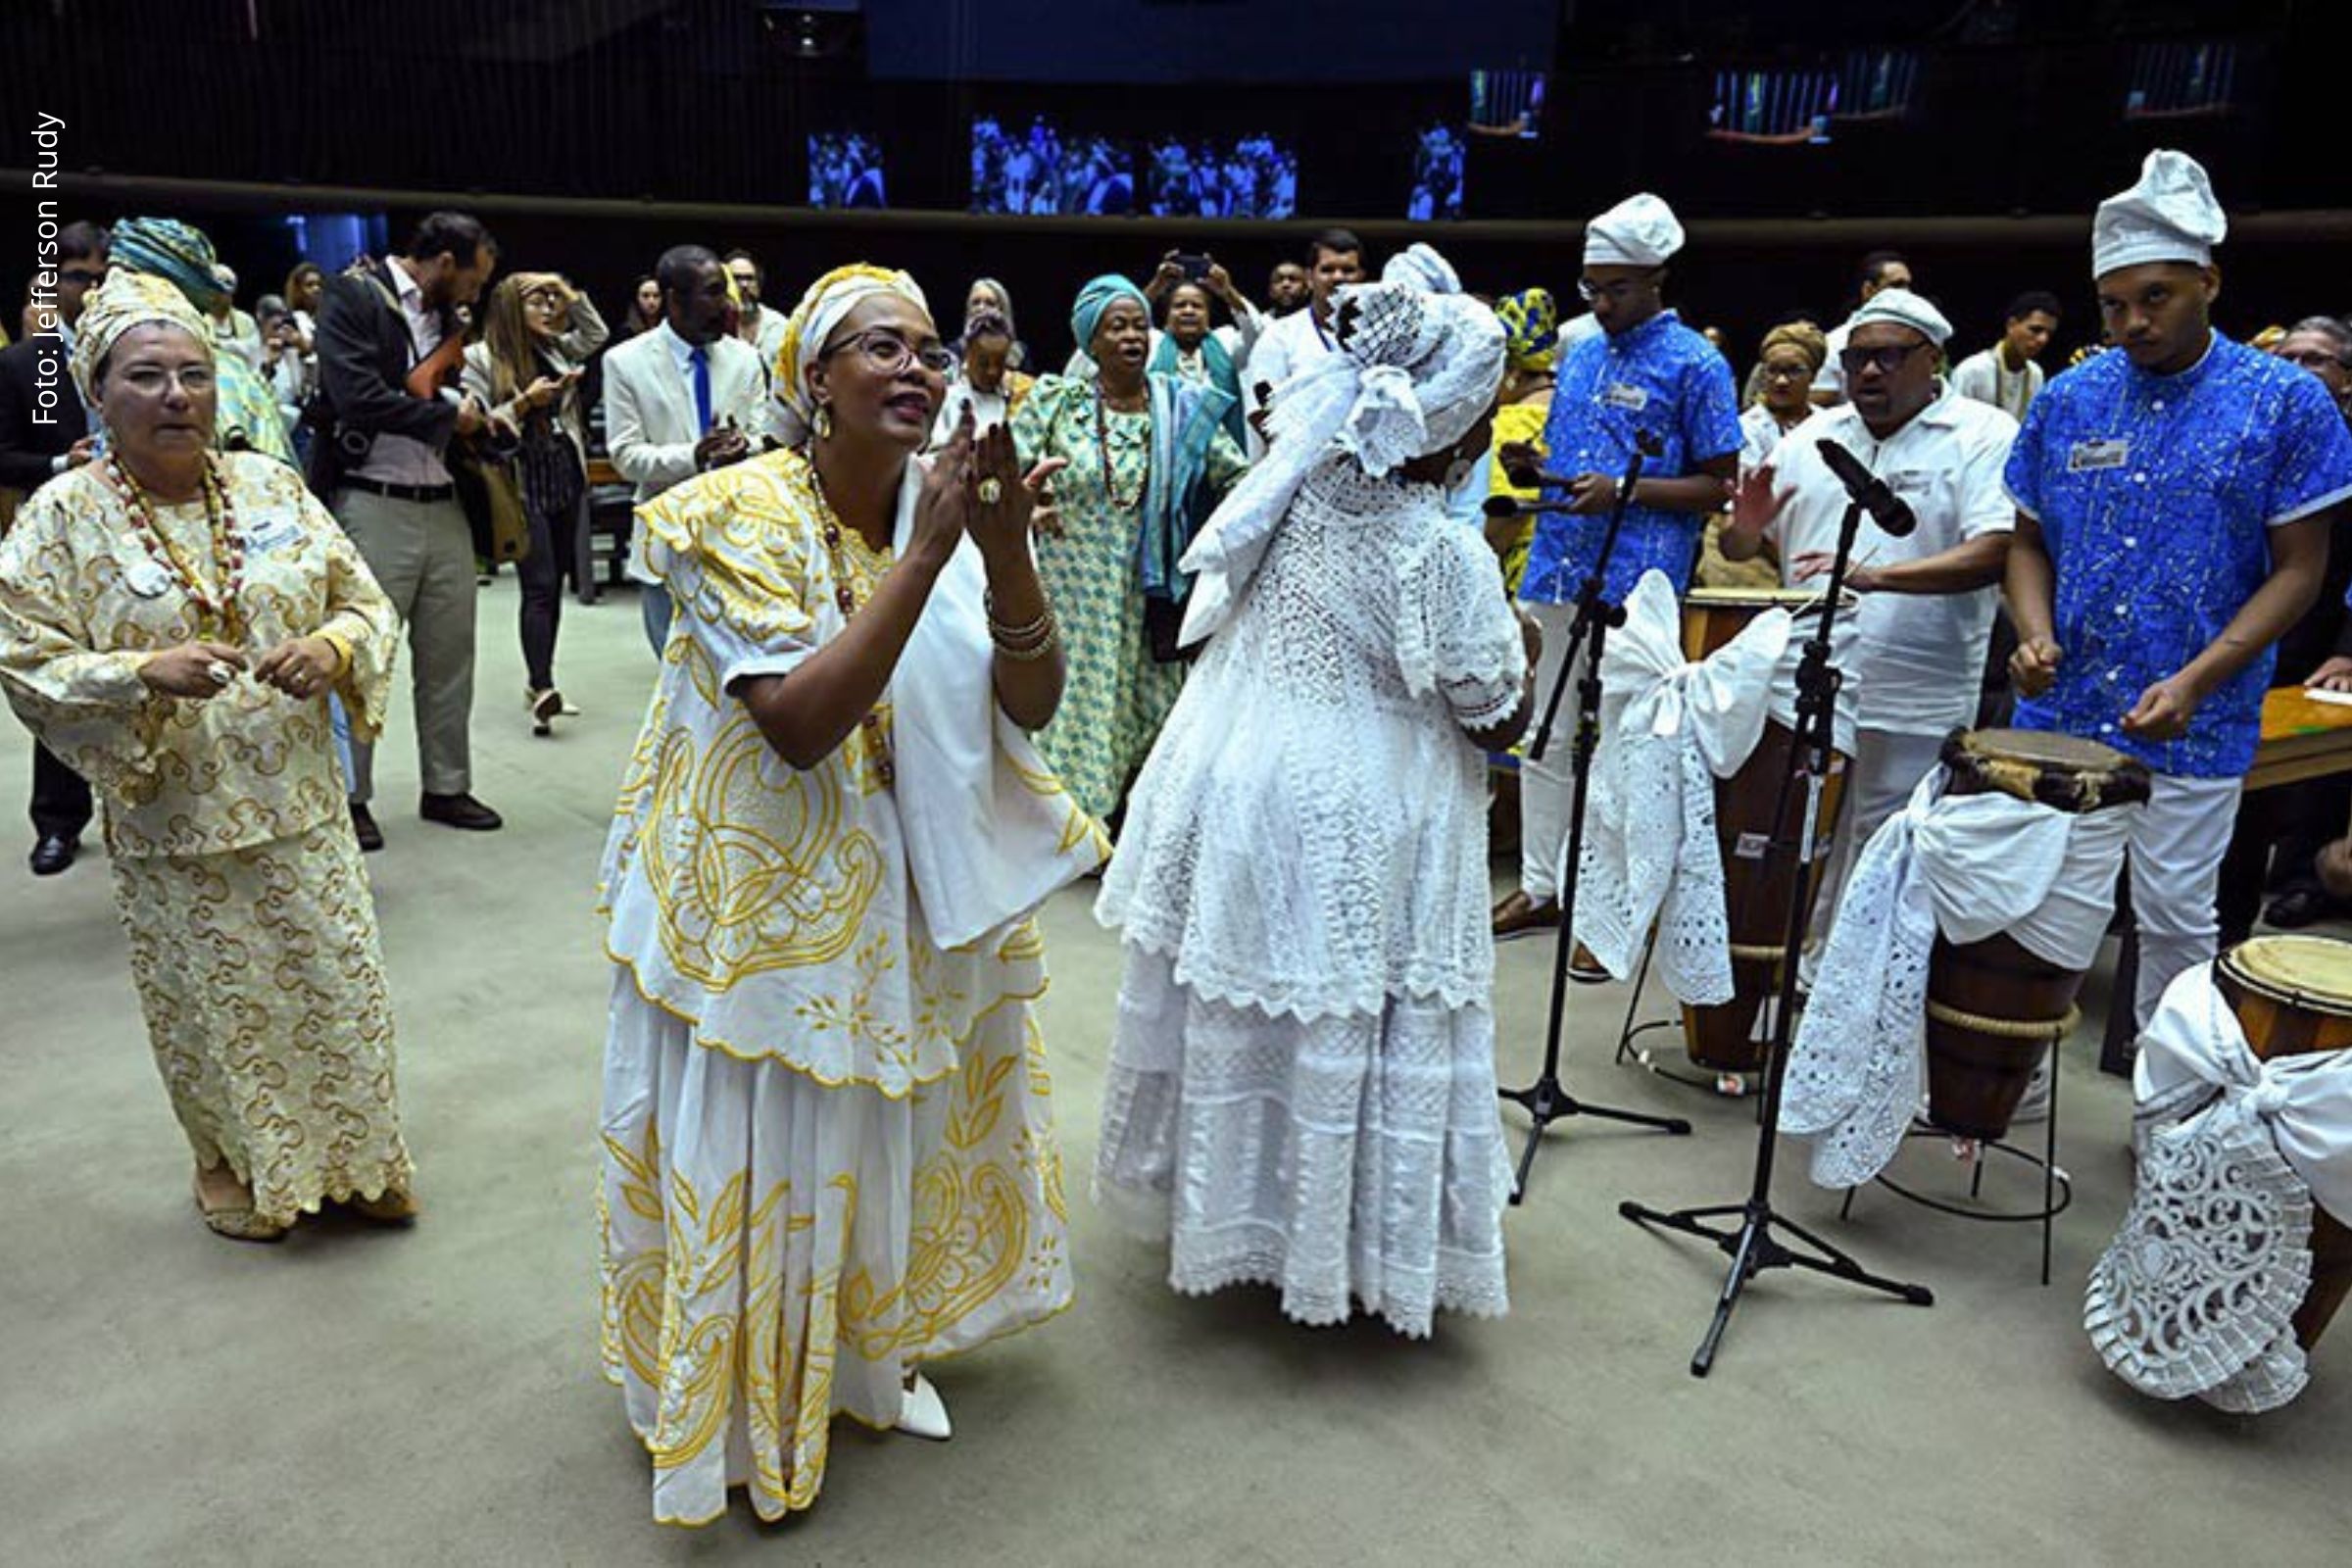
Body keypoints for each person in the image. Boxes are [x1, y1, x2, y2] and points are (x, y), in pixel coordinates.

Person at [597, 263, 1102, 1525]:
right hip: (765, 906)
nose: (919, 367)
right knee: (778, 1134)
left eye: (932, 349)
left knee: (892, 1128)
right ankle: (750, 1387)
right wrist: (933, 550)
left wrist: (999, 555)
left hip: (913, 886)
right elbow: (804, 728)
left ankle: (871, 1353)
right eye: (883, 346)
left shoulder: (946, 507)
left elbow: (1029, 709)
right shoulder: (731, 515)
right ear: (812, 378)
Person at [1095, 271, 1526, 1336]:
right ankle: (1337, 1250)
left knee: (1258, 1012)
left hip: (1240, 777)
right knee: (1349, 1019)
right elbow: (1492, 708)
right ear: (1459, 436)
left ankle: (1245, 1216)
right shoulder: (1442, 549)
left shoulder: (1290, 492)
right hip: (1362, 806)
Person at [0, 271, 414, 1241]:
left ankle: (362, 1160)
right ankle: (232, 1162)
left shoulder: (271, 485)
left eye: (194, 374)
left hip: (302, 805)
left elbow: (364, 603)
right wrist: (143, 669)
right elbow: (24, 654)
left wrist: (333, 648)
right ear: (98, 392)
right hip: (174, 821)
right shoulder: (61, 517)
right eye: (145, 377)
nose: (176, 395)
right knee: (219, 1012)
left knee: (338, 989)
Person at [2005, 150, 2352, 1032]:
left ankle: (2170, 1119)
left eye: (2155, 297)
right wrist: (2034, 632)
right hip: (2072, 714)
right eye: (2114, 304)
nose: (2132, 322)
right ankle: (2015, 1102)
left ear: (2209, 280)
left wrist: (2198, 679)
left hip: (2201, 717)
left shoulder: (2283, 403)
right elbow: (2028, 542)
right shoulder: (2071, 398)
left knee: (2173, 924)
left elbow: (2300, 570)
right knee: (2053, 909)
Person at [1493, 191, 1742, 940]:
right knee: (1547, 731)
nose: (1600, 303)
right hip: (1561, 567)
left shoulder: (1698, 363)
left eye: (1616, 288)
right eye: (1591, 287)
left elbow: (1719, 481)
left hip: (1642, 578)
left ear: (1658, 278)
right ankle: (1542, 886)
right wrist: (1537, 468)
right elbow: (1581, 462)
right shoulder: (1581, 352)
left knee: (1632, 745)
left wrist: (1627, 491)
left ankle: (1615, 901)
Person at [1722, 288, 2018, 916]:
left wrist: (1878, 579)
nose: (1870, 372)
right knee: (1802, 835)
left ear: (1932, 358)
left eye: (1888, 357)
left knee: (1888, 851)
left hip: (1918, 687)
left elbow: (1997, 549)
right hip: (1808, 683)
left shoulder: (1983, 434)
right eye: (1857, 359)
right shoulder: (1815, 436)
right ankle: (1799, 972)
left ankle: (1855, 992)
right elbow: (1748, 540)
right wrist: (1744, 527)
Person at [1009, 275, 1248, 820]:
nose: (1132, 336)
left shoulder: (1180, 406)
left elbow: (1239, 480)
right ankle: (1066, 831)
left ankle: (1128, 835)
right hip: (1072, 598)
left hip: (1150, 597)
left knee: (1150, 711)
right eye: (1117, 327)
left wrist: (1210, 545)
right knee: (1075, 708)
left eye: (1141, 324)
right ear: (1091, 340)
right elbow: (1000, 474)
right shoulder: (1057, 400)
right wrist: (1027, 506)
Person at [310, 210, 506, 848]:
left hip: (444, 500)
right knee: (360, 656)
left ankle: (447, 786)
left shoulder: (453, 320)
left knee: (451, 656)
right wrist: (453, 420)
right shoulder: (355, 294)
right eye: (474, 281)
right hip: (372, 499)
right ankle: (349, 795)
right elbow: (356, 396)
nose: (475, 295)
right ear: (445, 264)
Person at [2223, 316, 2352, 932]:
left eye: (2316, 360)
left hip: (2319, 646)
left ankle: (2295, 885)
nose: (2297, 370)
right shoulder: (2243, 439)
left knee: (2293, 788)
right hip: (2226, 642)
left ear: (2347, 380)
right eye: (2287, 357)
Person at [0, 220, 107, 875]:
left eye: (101, 277)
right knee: (65, 683)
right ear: (49, 282)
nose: (91, 288)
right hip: (58, 538)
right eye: (78, 277)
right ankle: (60, 822)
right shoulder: (22, 363)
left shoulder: (134, 349)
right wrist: (58, 464)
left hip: (141, 534)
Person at [601, 244, 767, 656]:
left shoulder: (745, 359)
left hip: (737, 541)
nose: (725, 304)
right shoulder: (625, 362)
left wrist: (744, 446)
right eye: (712, 292)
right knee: (675, 674)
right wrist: (695, 456)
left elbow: (765, 437)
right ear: (673, 299)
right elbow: (625, 456)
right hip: (666, 543)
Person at [462, 271, 610, 733]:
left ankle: (539, 681)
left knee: (558, 580)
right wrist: (525, 403)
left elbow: (596, 334)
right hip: (519, 480)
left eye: (552, 303)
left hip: (564, 472)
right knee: (540, 583)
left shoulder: (556, 348)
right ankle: (543, 686)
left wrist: (569, 291)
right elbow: (478, 424)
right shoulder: (481, 358)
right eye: (538, 302)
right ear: (510, 308)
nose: (550, 310)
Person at [107, 219, 296, 466]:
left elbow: (258, 487)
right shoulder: (103, 362)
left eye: (127, 282)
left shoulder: (226, 378)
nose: (104, 295)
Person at [1244, 228, 1368, 436]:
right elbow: (1261, 414)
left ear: (1362, 277)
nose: (1338, 277)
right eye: (1327, 269)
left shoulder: (1379, 336)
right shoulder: (1279, 335)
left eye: (1348, 270)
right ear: (1310, 278)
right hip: (1297, 461)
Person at [1483, 286, 1560, 594]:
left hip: (1525, 573)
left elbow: (1509, 511)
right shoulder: (1571, 405)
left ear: (1512, 373)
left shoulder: (1516, 422)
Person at [1812, 249, 1914, 406]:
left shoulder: (1917, 337)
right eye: (1896, 285)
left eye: (1908, 285)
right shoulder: (1835, 343)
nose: (1906, 294)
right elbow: (1819, 405)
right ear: (1868, 290)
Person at [1951, 291, 2063, 421]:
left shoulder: (2036, 374)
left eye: (2049, 334)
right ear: (2011, 325)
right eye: (2035, 330)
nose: (2043, 339)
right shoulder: (1972, 371)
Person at [927, 309, 1031, 446]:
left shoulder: (1019, 400)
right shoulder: (946, 399)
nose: (992, 371)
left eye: (999, 363)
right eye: (984, 363)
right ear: (968, 354)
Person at [722, 248, 790, 370]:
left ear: (759, 283)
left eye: (749, 278)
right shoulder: (716, 327)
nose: (744, 285)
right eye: (736, 278)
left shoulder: (780, 326)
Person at [951, 276, 1028, 370]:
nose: (981, 308)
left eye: (990, 303)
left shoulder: (1020, 352)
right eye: (976, 303)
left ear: (1002, 310)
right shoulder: (955, 351)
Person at [204, 264, 264, 369]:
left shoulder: (246, 321)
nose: (215, 294)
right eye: (212, 288)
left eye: (221, 290)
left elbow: (253, 356)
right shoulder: (200, 318)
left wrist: (221, 347)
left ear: (232, 291)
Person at [621, 274, 662, 338]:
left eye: (656, 295)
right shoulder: (626, 332)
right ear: (636, 298)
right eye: (645, 296)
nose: (651, 301)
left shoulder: (670, 328)